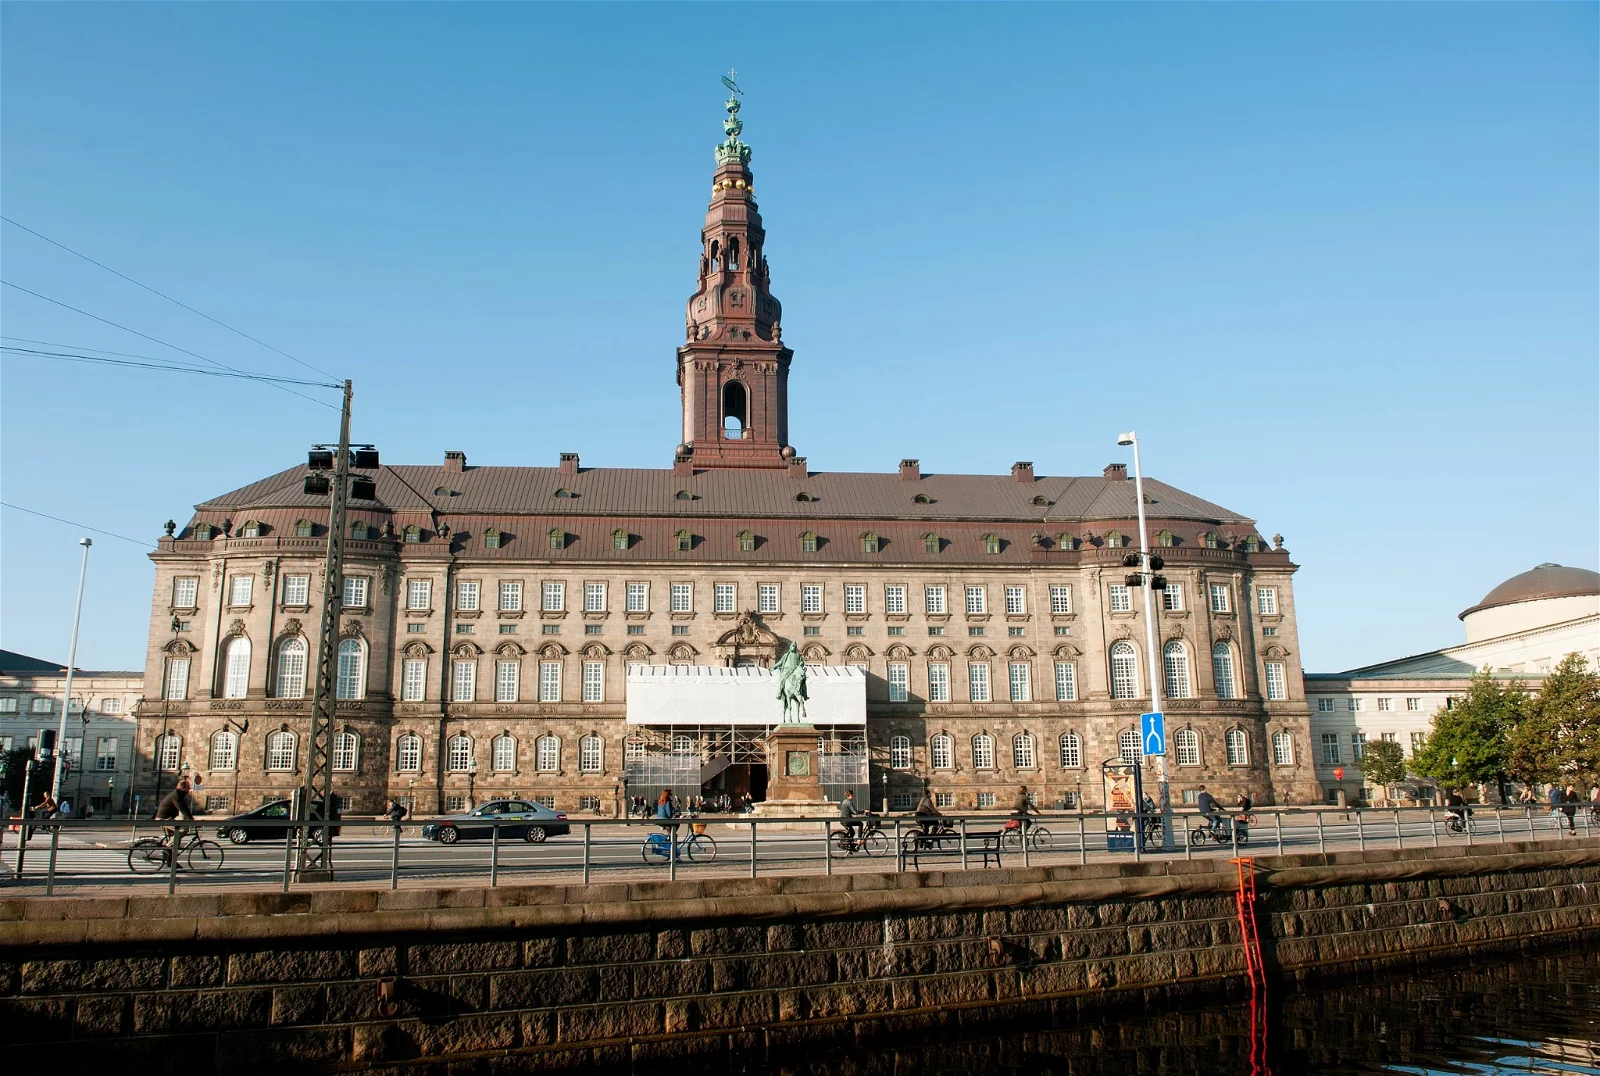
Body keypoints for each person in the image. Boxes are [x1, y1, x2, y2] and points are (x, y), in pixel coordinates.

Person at [155, 778, 196, 864]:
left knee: (176, 841)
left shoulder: (179, 795)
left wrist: (191, 819)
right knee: (182, 829)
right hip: (164, 819)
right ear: (182, 788)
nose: (189, 789)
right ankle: (166, 848)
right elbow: (182, 809)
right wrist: (191, 820)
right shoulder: (176, 796)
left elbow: (185, 809)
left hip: (168, 818)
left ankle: (171, 861)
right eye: (188, 787)